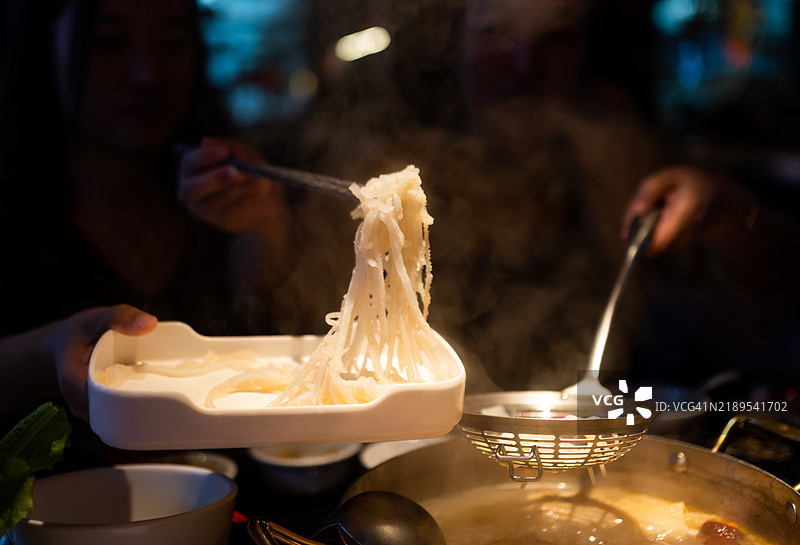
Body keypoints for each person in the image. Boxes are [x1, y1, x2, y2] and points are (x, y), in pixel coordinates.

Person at [0, 0, 290, 427]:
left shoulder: (220, 189)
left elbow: (267, 335)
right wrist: (50, 349)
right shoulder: (14, 217)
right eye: (110, 42)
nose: (148, 74)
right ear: (44, 53)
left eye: (172, 43)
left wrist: (265, 228)